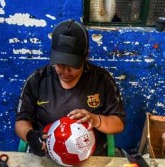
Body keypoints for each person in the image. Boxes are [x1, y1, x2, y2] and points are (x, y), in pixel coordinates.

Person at [15, 19, 126, 157]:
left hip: (90, 157)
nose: (65, 71)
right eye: (59, 64)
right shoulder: (37, 80)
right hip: (46, 156)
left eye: (72, 65)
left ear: (86, 56)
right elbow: (21, 120)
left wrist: (96, 120)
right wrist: (30, 135)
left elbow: (118, 123)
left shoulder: (101, 80)